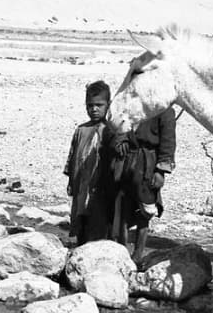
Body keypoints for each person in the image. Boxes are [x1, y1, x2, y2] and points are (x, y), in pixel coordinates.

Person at [110, 108, 176, 264]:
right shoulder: (133, 105)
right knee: (123, 206)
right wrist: (121, 140)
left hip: (149, 163)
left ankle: (138, 254)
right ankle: (122, 250)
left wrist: (160, 171)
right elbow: (119, 127)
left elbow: (168, 142)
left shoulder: (165, 111)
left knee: (145, 210)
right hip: (128, 159)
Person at [63, 80, 115, 247]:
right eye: (90, 105)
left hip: (102, 190)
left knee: (99, 228)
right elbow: (72, 158)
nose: (94, 109)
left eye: (99, 105)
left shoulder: (112, 131)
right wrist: (71, 182)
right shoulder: (81, 130)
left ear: (109, 105)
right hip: (81, 187)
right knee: (80, 223)